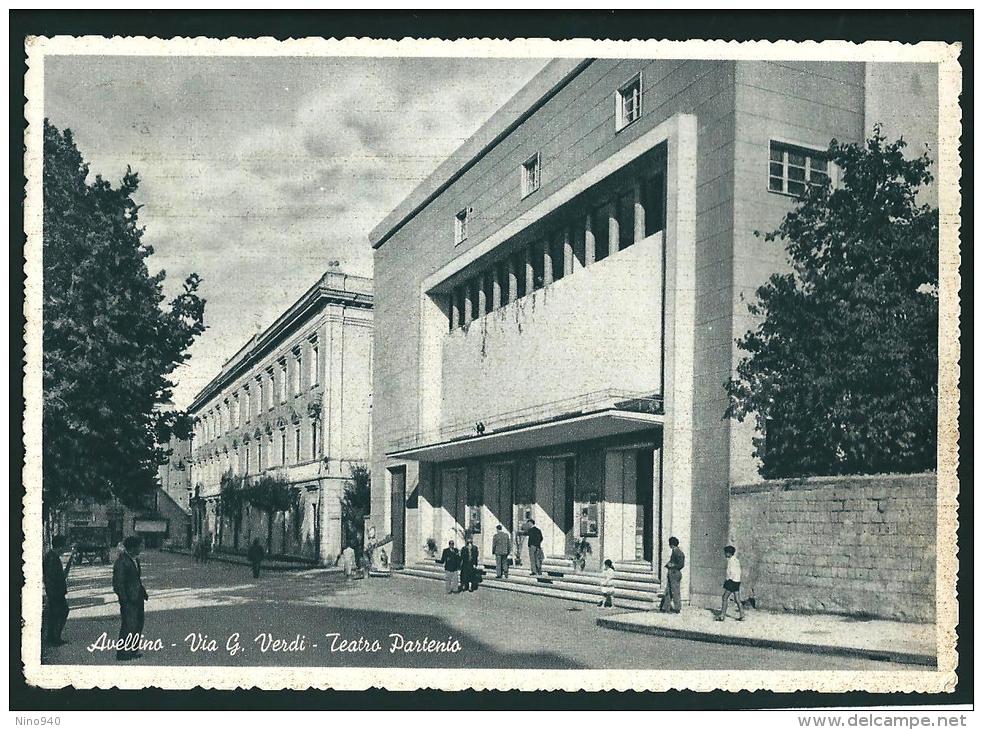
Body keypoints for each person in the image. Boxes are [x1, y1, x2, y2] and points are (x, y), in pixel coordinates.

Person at [112, 535, 149, 661]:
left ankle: (133, 651)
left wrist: (142, 592)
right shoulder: (122, 562)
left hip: (137, 598)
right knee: (128, 625)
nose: (141, 548)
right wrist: (125, 599)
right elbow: (118, 584)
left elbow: (136, 579)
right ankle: (122, 654)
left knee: (138, 624)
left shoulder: (134, 560)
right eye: (140, 546)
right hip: (129, 600)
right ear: (133, 548)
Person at [42, 535, 74, 646]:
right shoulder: (52, 558)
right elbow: (52, 578)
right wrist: (52, 592)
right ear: (60, 546)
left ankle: (53, 638)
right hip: (55, 592)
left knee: (56, 614)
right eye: (64, 546)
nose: (65, 548)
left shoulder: (51, 556)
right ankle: (54, 639)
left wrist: (70, 561)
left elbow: (61, 576)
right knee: (61, 612)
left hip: (55, 592)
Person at [717, 545, 745, 622]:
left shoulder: (730, 561)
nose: (725, 554)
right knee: (737, 599)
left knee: (724, 597)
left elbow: (731, 573)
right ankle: (742, 615)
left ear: (729, 553)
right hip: (737, 581)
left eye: (726, 553)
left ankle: (722, 615)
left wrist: (727, 581)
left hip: (731, 581)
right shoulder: (736, 560)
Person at [660, 536, 685, 613]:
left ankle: (677, 608)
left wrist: (672, 565)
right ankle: (665, 607)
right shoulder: (675, 551)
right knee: (668, 590)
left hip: (675, 573)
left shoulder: (678, 552)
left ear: (672, 544)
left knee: (675, 591)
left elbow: (681, 564)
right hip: (672, 573)